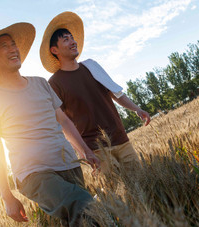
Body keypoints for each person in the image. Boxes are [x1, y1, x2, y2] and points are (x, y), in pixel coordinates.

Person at [0, 22, 100, 226]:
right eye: (4, 46)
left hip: (69, 164)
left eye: (13, 44)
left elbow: (63, 120)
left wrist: (85, 150)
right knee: (88, 207)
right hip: (35, 174)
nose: (13, 49)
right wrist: (6, 196)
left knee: (81, 221)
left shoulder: (40, 83)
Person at [39, 12, 151, 176]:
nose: (73, 42)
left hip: (120, 137)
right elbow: (63, 123)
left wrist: (137, 109)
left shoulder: (91, 66)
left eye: (72, 38)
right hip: (95, 148)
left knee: (142, 182)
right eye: (66, 39)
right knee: (117, 195)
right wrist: (84, 152)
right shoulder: (54, 83)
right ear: (54, 49)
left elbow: (116, 92)